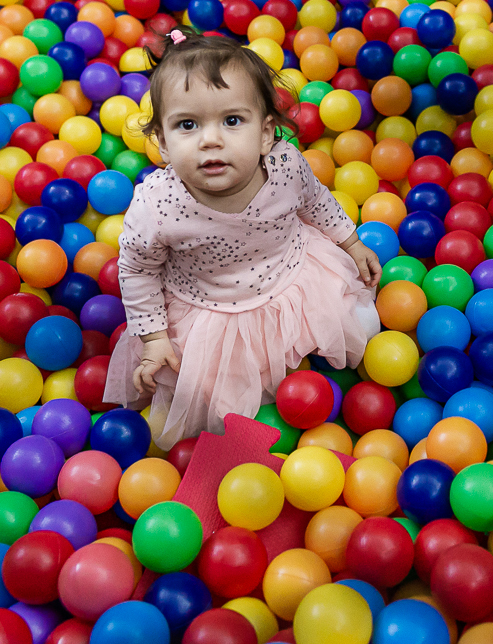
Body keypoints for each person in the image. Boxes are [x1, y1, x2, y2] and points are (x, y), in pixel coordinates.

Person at [104, 29, 382, 449]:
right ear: (161, 142)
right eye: (187, 125)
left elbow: (315, 201)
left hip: (294, 276)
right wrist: (155, 339)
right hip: (211, 307)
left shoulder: (285, 166)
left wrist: (350, 242)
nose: (210, 139)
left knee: (362, 321)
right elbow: (137, 270)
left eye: (232, 120)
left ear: (267, 133)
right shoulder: (158, 205)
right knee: (217, 398)